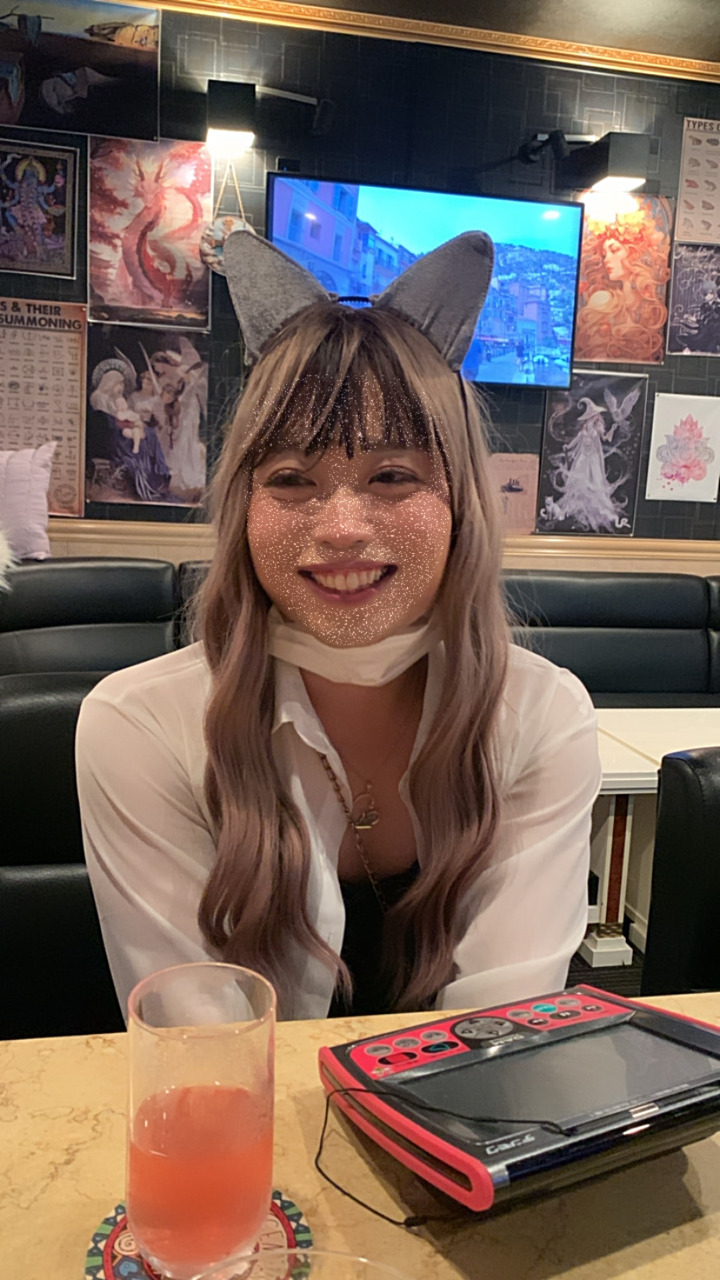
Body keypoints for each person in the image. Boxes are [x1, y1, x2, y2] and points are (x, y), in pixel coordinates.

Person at [76, 230, 602, 1021]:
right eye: (292, 479)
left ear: (461, 505)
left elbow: (498, 1034)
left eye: (393, 475)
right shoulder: (140, 725)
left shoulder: (540, 716)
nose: (343, 527)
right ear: (244, 508)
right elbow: (201, 1042)